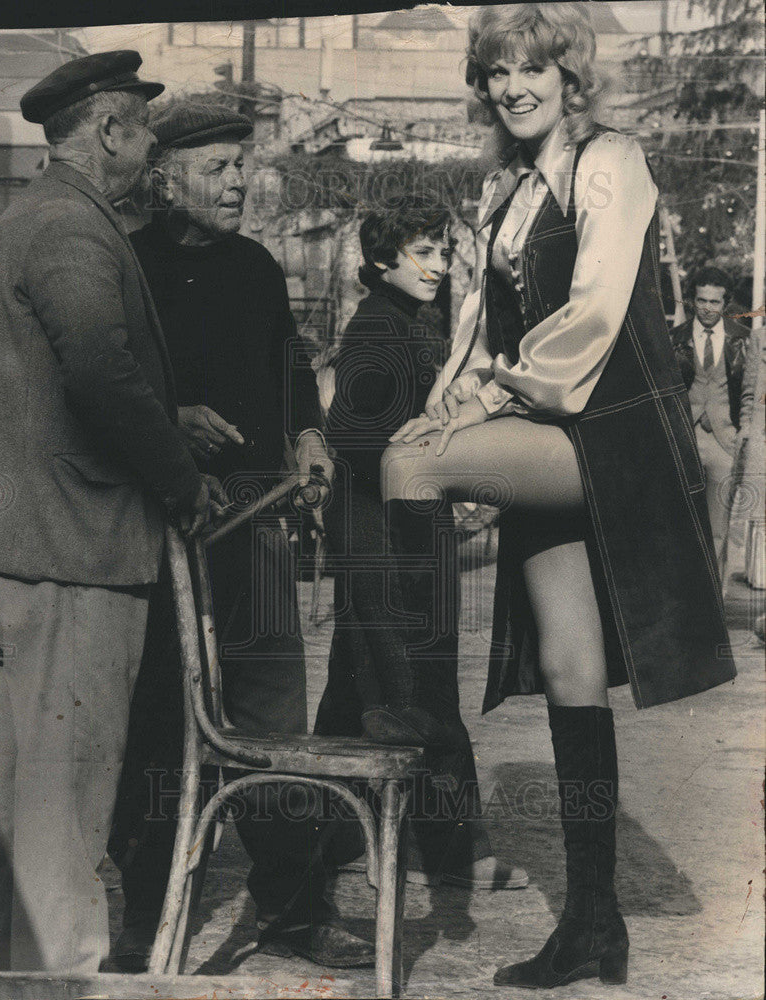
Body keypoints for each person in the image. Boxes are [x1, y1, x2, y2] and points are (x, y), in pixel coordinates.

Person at [382, 4, 735, 988]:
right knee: (572, 673)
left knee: (406, 470)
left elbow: (588, 315)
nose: (510, 88)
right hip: (544, 429)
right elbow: (472, 328)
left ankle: (412, 729)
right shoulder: (503, 187)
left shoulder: (610, 160)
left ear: (568, 76)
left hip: (608, 426)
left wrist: (477, 411)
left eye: (529, 68)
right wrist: (452, 400)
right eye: (493, 72)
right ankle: (592, 925)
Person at [106, 102, 372, 972]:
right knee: (156, 718)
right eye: (217, 168)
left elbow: (288, 362)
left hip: (254, 519)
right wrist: (171, 420)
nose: (237, 184)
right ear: (164, 177)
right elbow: (107, 382)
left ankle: (292, 913)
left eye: (241, 168)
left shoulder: (256, 266)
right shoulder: (126, 262)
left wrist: (304, 432)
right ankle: (143, 923)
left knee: (272, 717)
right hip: (159, 521)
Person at [0, 52, 219, 975]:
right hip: (76, 549)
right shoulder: (75, 228)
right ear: (111, 129)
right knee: (65, 812)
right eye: (145, 128)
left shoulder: (35, 217)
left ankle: (5, 979)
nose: (151, 145)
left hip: (32, 548)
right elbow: (101, 372)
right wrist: (180, 480)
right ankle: (60, 980)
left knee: (18, 807)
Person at [316, 202, 528, 890]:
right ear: (382, 262)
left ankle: (329, 835)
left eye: (442, 253)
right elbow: (349, 429)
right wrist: (400, 439)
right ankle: (444, 847)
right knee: (416, 682)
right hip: (384, 531)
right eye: (423, 253)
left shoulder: (407, 317)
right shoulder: (377, 326)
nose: (438, 266)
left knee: (361, 684)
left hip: (397, 525)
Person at [670, 265, 750, 556]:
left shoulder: (742, 339)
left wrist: (743, 434)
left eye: (714, 302)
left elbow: (749, 392)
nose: (706, 307)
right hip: (683, 439)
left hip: (724, 442)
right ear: (693, 300)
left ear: (725, 304)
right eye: (701, 300)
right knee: (680, 524)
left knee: (718, 529)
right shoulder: (675, 338)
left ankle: (714, 597)